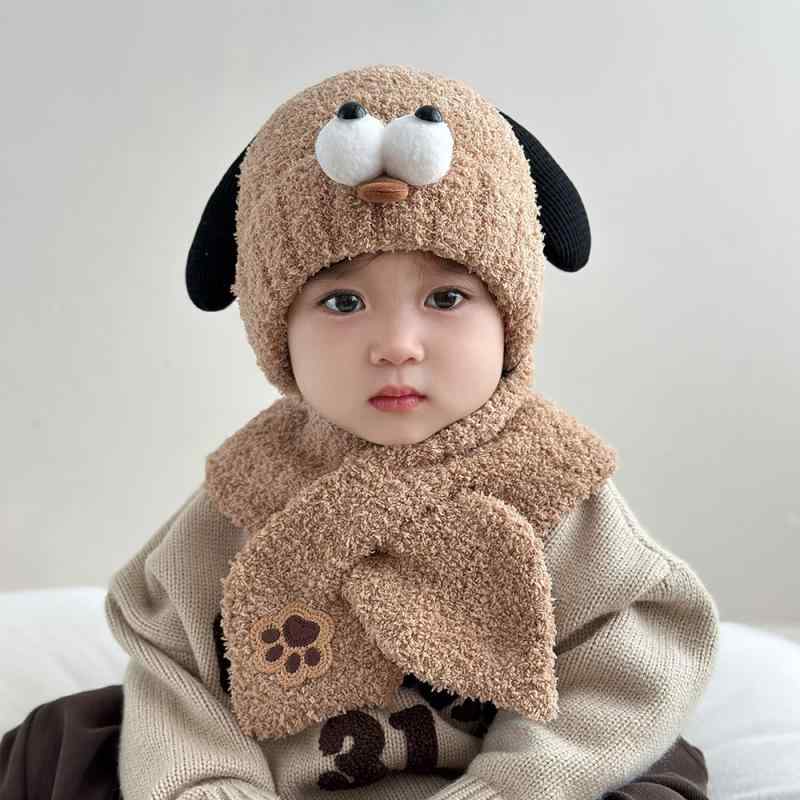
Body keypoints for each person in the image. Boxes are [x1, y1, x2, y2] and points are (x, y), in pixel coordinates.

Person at [0, 64, 719, 800]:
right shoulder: (248, 488)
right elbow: (175, 667)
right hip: (277, 782)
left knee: (659, 771)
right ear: (276, 333)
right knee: (66, 743)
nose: (397, 345)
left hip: (504, 779)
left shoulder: (550, 478)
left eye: (447, 297)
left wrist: (512, 787)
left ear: (511, 319)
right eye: (343, 302)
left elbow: (629, 658)